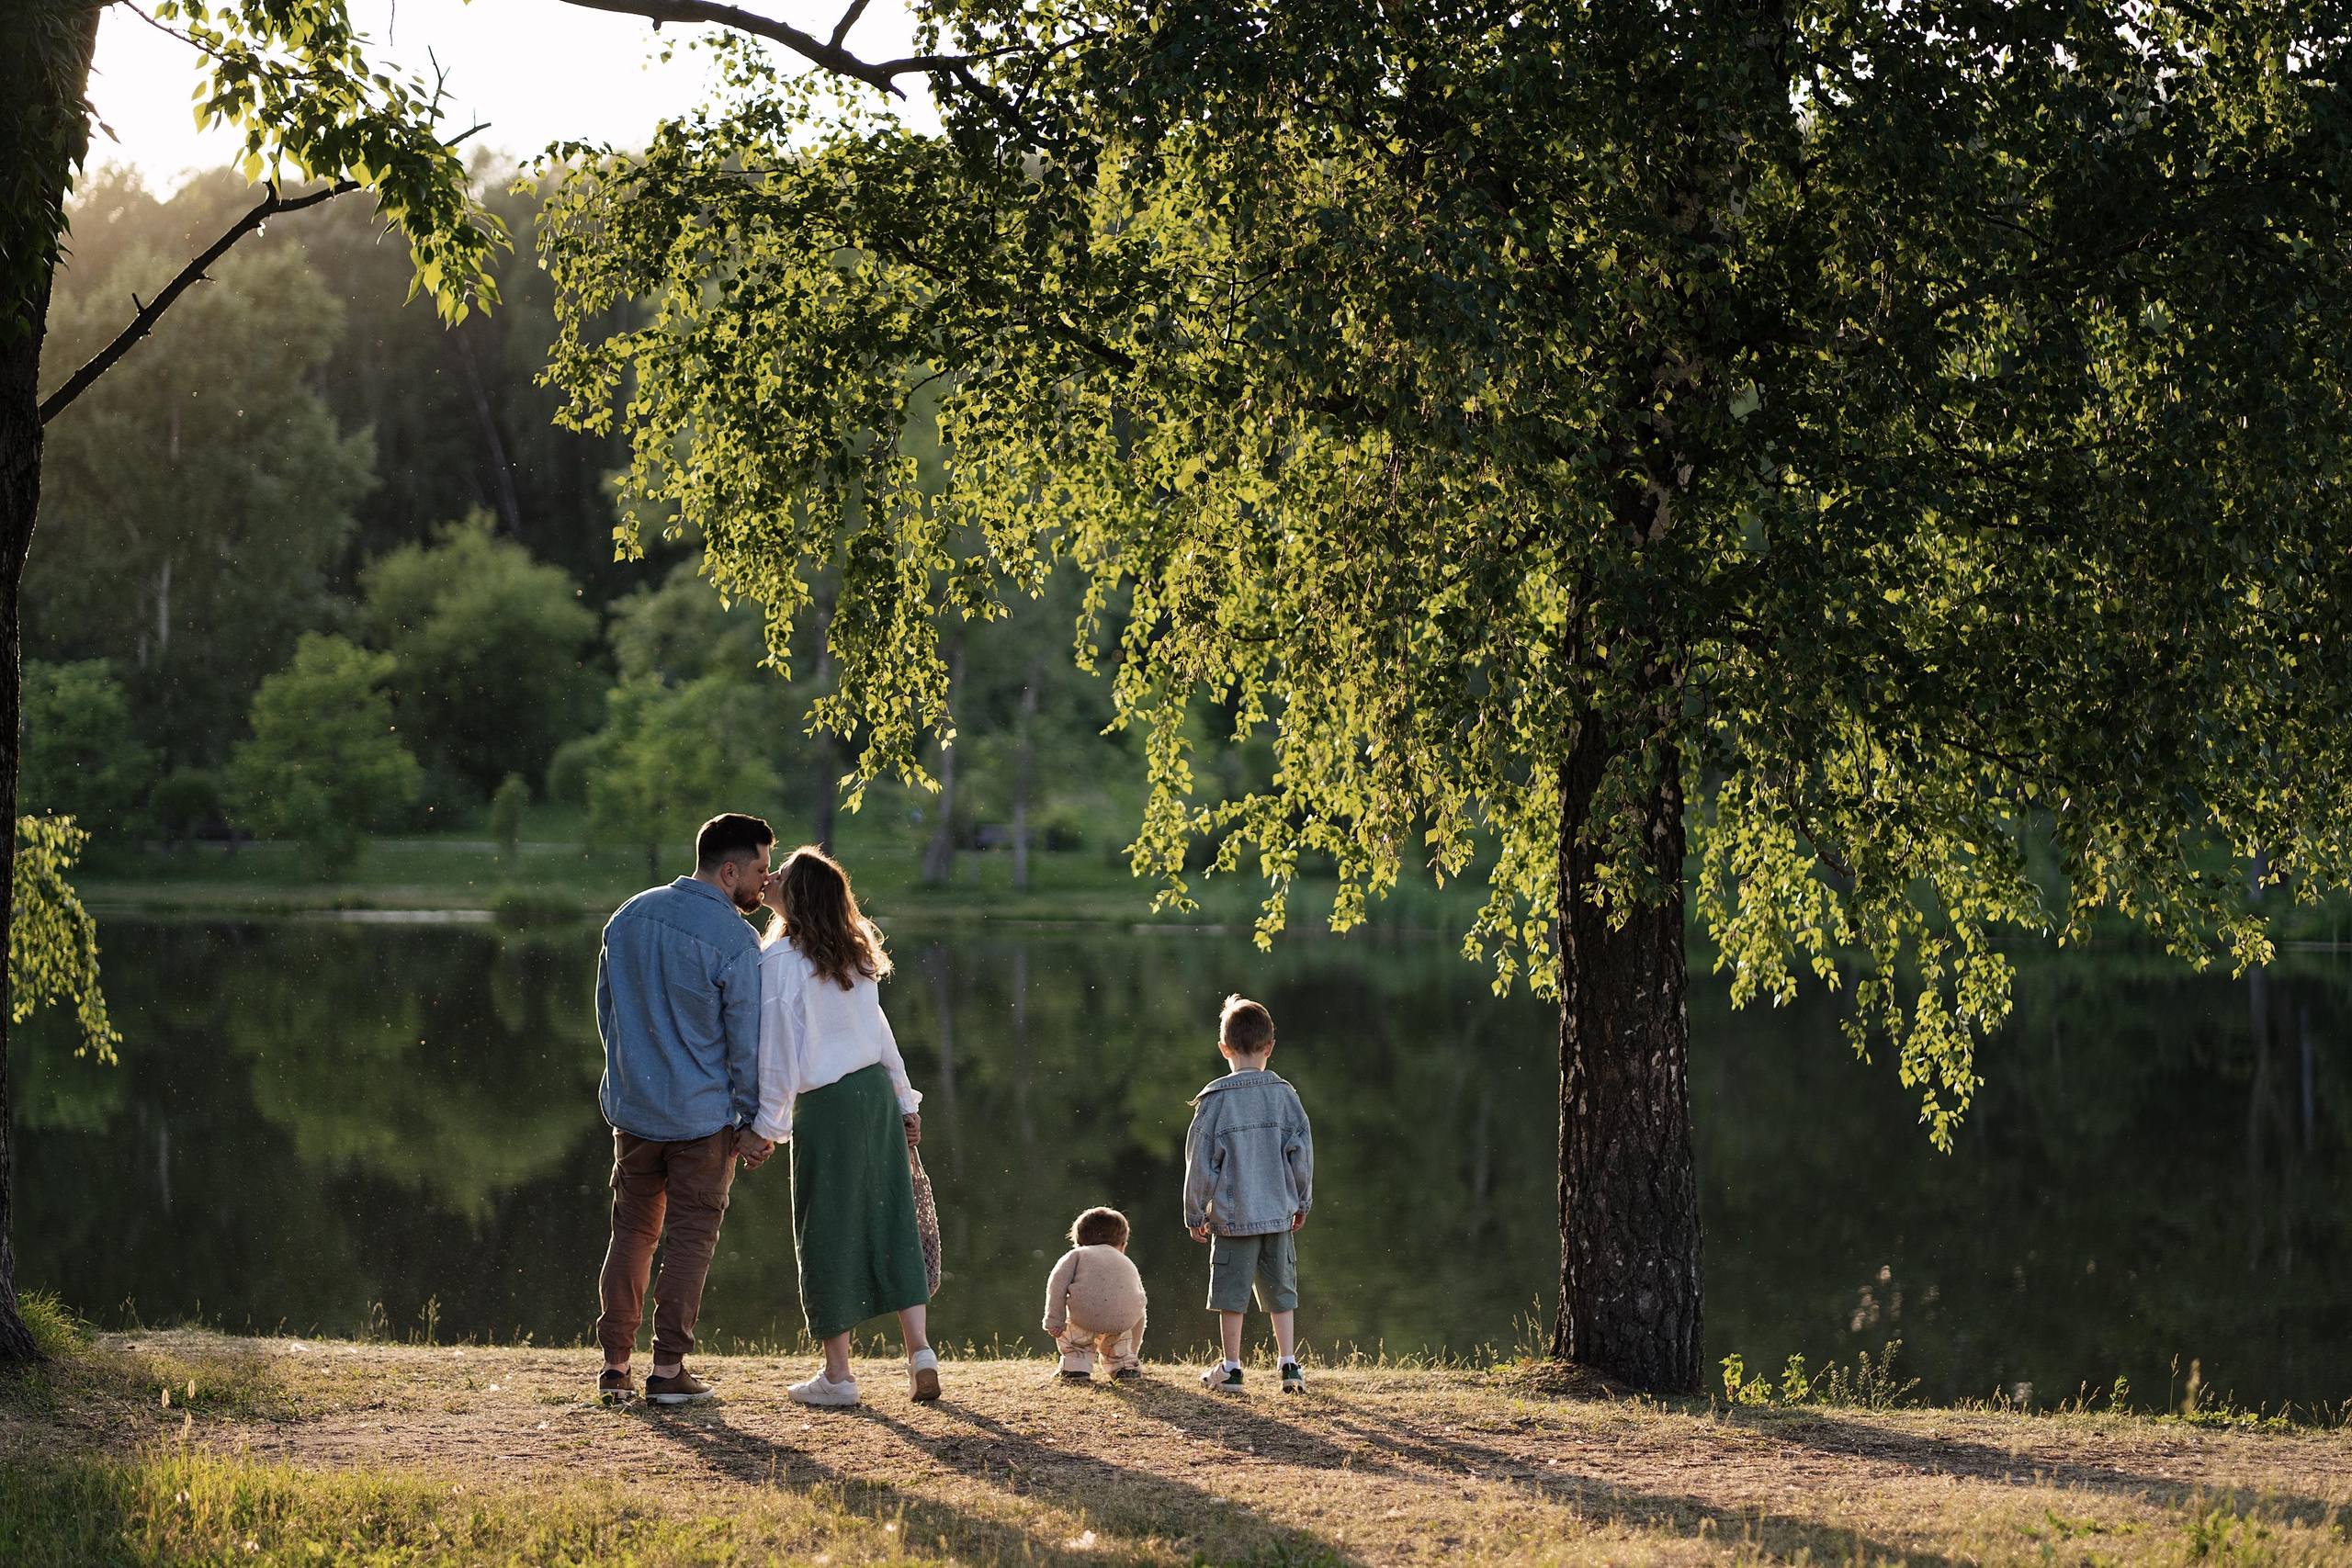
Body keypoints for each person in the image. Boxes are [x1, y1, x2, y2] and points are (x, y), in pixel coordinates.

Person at [594, 812, 780, 1406]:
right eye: (760, 869)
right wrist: (751, 1122)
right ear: (729, 871)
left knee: (632, 1233)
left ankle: (615, 1367)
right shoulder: (735, 940)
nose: (766, 879)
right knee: (690, 1240)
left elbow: (607, 1013)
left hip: (635, 1113)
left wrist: (627, 1081)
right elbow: (745, 1042)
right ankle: (668, 1370)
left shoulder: (629, 916)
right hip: (701, 1121)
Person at [752, 845, 936, 1407]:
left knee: (826, 1228)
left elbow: (778, 1053)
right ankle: (920, 1353)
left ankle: (838, 1376)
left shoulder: (779, 961)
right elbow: (880, 1033)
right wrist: (904, 1100)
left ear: (799, 895)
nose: (770, 876)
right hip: (874, 1096)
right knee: (892, 1217)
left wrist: (766, 1127)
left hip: (826, 1105)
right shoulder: (854, 953)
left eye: (782, 873)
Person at [1184, 993, 1313, 1394]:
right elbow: (1301, 1155)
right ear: (1269, 1047)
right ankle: (1289, 1365)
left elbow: (1200, 1163)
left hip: (1232, 1216)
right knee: (1282, 1290)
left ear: (1224, 1048)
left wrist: (1195, 1212)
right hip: (1277, 1213)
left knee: (1230, 1294)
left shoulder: (1214, 1101)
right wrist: (1301, 1201)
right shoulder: (1286, 1096)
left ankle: (1232, 1368)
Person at [1042, 1206, 1148, 1382]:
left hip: (1084, 1316)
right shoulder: (1127, 1261)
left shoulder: (1076, 1255)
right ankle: (1125, 1366)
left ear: (1079, 1242)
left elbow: (1057, 1286)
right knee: (1119, 1341)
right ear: (1123, 1245)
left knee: (1077, 1340)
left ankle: (1075, 1368)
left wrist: (1055, 1320)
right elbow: (1139, 1298)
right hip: (1122, 1319)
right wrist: (1133, 1348)